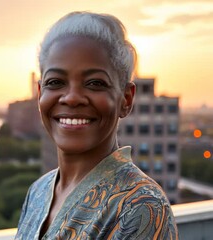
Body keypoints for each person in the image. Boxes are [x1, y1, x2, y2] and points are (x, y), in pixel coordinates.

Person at [15, 12, 178, 239]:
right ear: (40, 93)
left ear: (126, 99)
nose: (72, 98)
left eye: (95, 83)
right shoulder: (39, 191)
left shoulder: (142, 206)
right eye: (56, 82)